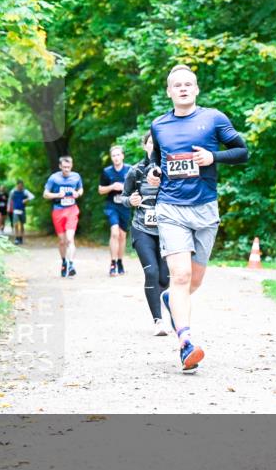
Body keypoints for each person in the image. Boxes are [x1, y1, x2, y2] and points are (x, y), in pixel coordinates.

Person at [151, 64, 248, 372]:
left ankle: (171, 300)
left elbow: (242, 151)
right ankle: (185, 343)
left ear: (196, 89)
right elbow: (156, 162)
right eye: (176, 85)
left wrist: (213, 157)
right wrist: (155, 174)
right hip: (170, 208)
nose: (182, 88)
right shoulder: (159, 125)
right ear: (168, 91)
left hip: (205, 208)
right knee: (180, 276)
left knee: (194, 281)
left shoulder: (214, 119)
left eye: (188, 84)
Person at [122, 134, 169, 335]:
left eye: (157, 144)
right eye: (150, 143)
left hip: (168, 230)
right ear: (144, 146)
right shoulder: (136, 171)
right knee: (151, 273)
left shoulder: (168, 169)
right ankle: (158, 321)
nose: (153, 146)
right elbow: (123, 197)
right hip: (142, 229)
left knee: (165, 280)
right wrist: (129, 201)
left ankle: (166, 310)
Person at [43, 156, 83, 278]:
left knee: (70, 239)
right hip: (58, 211)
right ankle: (64, 262)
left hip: (72, 210)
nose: (66, 169)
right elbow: (45, 194)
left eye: (68, 167)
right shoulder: (54, 178)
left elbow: (80, 189)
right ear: (60, 166)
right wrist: (57, 195)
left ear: (71, 166)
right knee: (62, 241)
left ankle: (71, 265)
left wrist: (78, 193)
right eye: (64, 167)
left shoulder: (76, 176)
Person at [98, 145, 132, 276]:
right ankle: (112, 263)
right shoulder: (107, 172)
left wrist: (124, 187)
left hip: (125, 206)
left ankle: (120, 261)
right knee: (114, 233)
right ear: (111, 158)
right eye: (113, 156)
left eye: (118, 155)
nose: (116, 158)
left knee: (122, 236)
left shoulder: (130, 170)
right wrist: (112, 187)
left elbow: (135, 188)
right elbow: (100, 190)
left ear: (122, 156)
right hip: (112, 205)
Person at [7, 180, 34, 245]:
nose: (20, 187)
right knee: (16, 224)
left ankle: (20, 237)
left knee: (22, 224)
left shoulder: (25, 191)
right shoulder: (13, 191)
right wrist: (8, 207)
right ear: (17, 185)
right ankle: (16, 238)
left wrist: (26, 200)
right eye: (19, 186)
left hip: (22, 209)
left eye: (21, 186)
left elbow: (32, 196)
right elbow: (9, 199)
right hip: (15, 210)